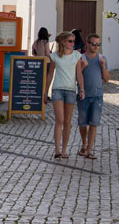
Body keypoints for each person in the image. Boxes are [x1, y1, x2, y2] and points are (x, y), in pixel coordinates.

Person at [44, 31, 82, 159]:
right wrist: (46, 91)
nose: (72, 43)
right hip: (57, 89)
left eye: (73, 41)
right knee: (59, 119)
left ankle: (64, 149)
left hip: (71, 90)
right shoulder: (54, 56)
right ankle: (57, 149)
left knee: (67, 122)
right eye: (70, 41)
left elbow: (79, 74)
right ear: (63, 42)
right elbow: (50, 73)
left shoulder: (77, 55)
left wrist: (82, 89)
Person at [76, 33, 110, 159]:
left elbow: (106, 79)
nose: (96, 46)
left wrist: (103, 66)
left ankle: (90, 150)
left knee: (94, 123)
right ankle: (84, 144)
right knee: (82, 123)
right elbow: (75, 77)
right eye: (93, 44)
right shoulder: (81, 58)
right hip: (83, 95)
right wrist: (82, 67)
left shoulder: (102, 58)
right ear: (87, 44)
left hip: (97, 95)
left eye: (98, 44)